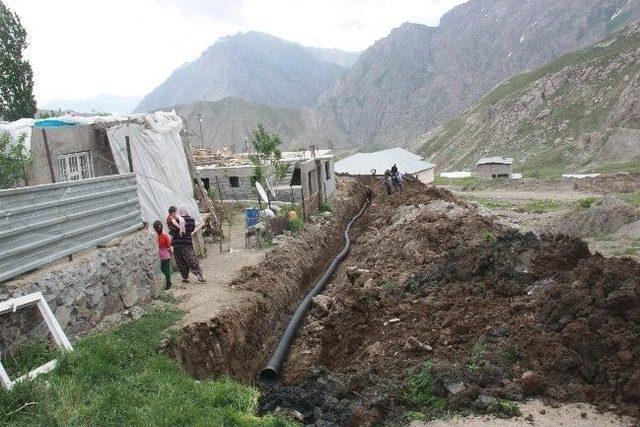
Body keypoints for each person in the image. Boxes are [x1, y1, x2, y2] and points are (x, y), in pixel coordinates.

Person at [170, 206, 206, 283]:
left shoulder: (176, 220)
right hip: (187, 243)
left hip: (177, 244)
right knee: (192, 259)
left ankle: (185, 277)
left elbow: (172, 231)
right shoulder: (191, 220)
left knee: (180, 261)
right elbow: (192, 229)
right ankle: (199, 275)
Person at [153, 220, 172, 290]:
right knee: (167, 270)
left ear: (155, 229)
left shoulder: (155, 237)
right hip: (166, 256)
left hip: (160, 257)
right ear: (162, 227)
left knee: (163, 270)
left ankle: (166, 283)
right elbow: (169, 246)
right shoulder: (165, 236)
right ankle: (168, 283)